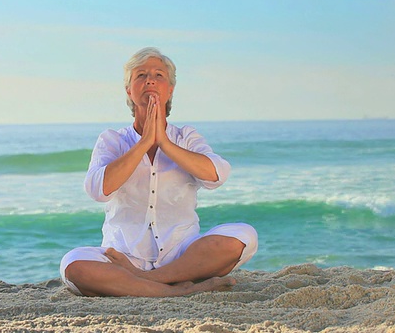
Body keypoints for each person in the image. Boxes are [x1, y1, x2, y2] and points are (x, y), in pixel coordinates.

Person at [60, 47, 258, 297]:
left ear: (170, 89)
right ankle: (176, 291)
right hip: (122, 255)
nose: (150, 80)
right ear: (129, 90)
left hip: (182, 255)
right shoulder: (112, 140)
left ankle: (146, 280)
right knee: (72, 264)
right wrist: (143, 143)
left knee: (244, 236)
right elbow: (98, 190)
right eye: (140, 75)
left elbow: (217, 174)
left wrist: (164, 142)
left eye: (158, 75)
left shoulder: (185, 137)